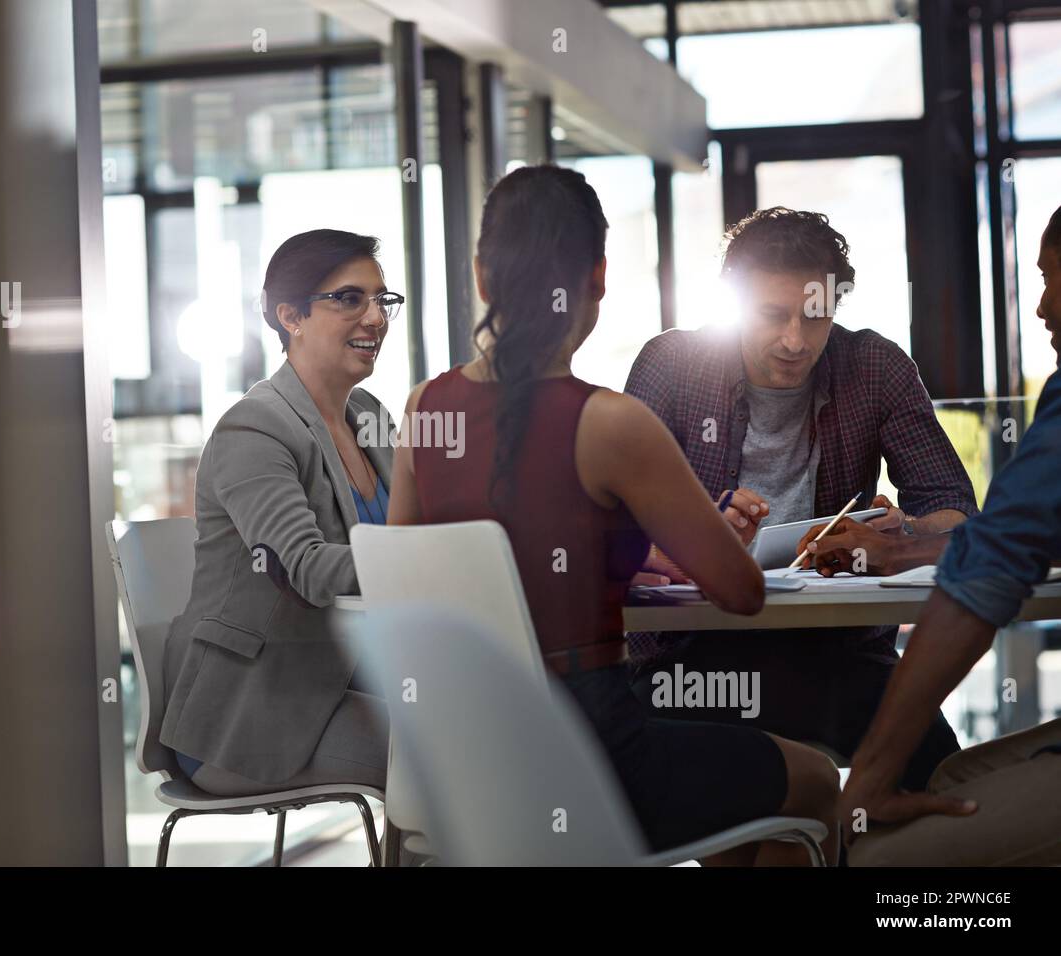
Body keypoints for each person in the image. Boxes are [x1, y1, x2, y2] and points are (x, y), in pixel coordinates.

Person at [386, 166, 840, 864]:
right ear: (597, 277)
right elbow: (742, 592)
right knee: (813, 778)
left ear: (481, 275)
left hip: (462, 759)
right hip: (592, 753)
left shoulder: (423, 409)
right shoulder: (610, 422)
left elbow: (407, 589)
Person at [624, 207, 976, 789]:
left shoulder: (875, 366)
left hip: (836, 651)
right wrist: (694, 536)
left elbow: (959, 513)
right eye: (773, 315)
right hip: (690, 654)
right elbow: (613, 530)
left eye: (815, 317)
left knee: (939, 770)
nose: (795, 340)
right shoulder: (672, 366)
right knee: (733, 791)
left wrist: (901, 536)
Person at [841, 203, 1061, 866]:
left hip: (840, 662)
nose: (1043, 307)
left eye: (1055, 279)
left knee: (876, 857)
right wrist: (902, 548)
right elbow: (1021, 535)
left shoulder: (874, 366)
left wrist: (869, 778)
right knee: (950, 775)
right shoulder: (676, 371)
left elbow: (987, 560)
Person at [160, 229, 404, 796]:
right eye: (349, 298)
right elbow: (309, 570)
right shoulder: (255, 427)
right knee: (455, 756)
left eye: (382, 299)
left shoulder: (369, 415)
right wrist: (438, 564)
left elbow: (411, 535)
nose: (375, 317)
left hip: (348, 682)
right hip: (248, 716)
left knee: (496, 725)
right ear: (290, 315)